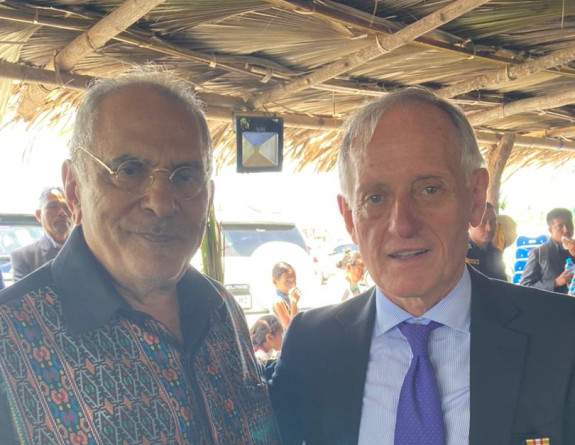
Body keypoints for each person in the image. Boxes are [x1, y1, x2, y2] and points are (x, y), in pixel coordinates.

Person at [270, 88, 575, 445]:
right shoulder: (312, 344)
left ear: (476, 198)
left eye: (429, 189)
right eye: (375, 198)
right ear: (349, 217)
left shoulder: (561, 336)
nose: (402, 224)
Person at [0, 69, 279, 444]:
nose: (161, 204)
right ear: (75, 188)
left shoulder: (222, 309)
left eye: (184, 177)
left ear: (207, 198)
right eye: (128, 170)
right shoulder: (10, 336)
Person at [9, 186, 73, 281]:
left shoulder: (90, 250)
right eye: (53, 207)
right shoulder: (23, 257)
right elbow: (22, 295)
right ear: (39, 215)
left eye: (66, 207)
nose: (62, 212)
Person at [519, 208, 575, 294]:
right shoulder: (538, 253)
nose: (566, 230)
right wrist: (555, 283)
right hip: (552, 305)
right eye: (560, 226)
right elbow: (524, 286)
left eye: (569, 224)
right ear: (550, 229)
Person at [465, 202, 507, 280]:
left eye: (492, 222)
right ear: (469, 224)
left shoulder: (496, 254)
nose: (489, 228)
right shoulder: (461, 254)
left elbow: (503, 286)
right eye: (483, 222)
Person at [272, 261, 302, 329]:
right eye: (287, 281)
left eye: (294, 279)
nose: (293, 285)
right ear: (275, 282)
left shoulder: (288, 297)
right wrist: (293, 302)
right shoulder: (278, 302)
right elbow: (291, 328)